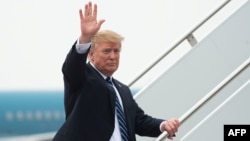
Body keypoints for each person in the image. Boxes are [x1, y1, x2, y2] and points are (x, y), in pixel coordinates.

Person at [52, 1, 180, 141]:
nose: (113, 56)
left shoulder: (122, 90)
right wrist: (85, 39)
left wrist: (163, 125)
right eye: (106, 51)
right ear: (91, 54)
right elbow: (71, 67)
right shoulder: (82, 78)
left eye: (116, 51)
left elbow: (139, 121)